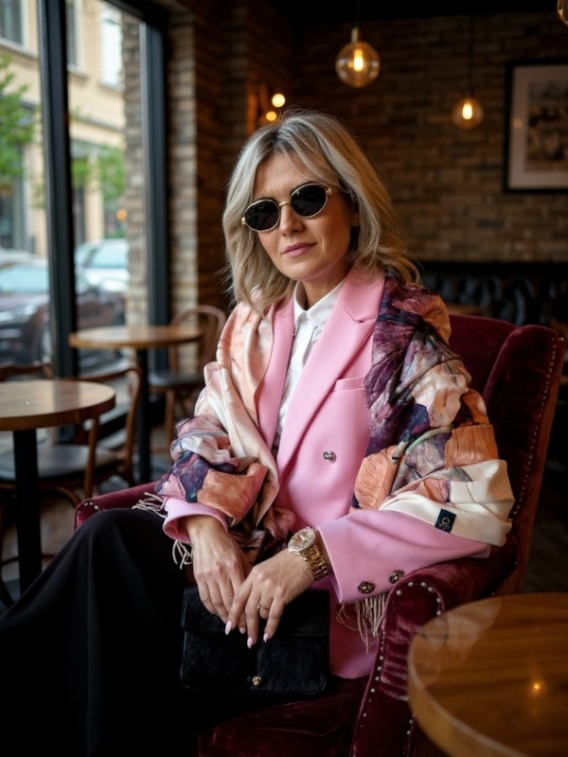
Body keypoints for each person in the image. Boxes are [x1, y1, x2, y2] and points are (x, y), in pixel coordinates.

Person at [0, 109, 514, 755]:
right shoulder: (253, 323)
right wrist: (204, 528)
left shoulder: (403, 331)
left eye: (307, 198)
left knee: (109, 626)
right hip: (236, 566)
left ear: (353, 205)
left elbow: (470, 499)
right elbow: (207, 428)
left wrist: (309, 556)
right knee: (108, 547)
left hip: (312, 605)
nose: (287, 224)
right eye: (265, 212)